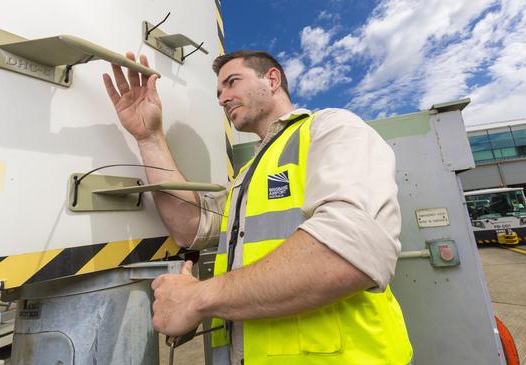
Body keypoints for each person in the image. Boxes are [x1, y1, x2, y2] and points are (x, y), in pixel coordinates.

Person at [103, 50, 412, 365]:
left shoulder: (331, 128)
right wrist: (149, 137)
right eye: (219, 93)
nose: (223, 98)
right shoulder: (246, 177)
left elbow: (349, 252)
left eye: (232, 82)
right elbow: (191, 226)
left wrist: (197, 298)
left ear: (273, 79)